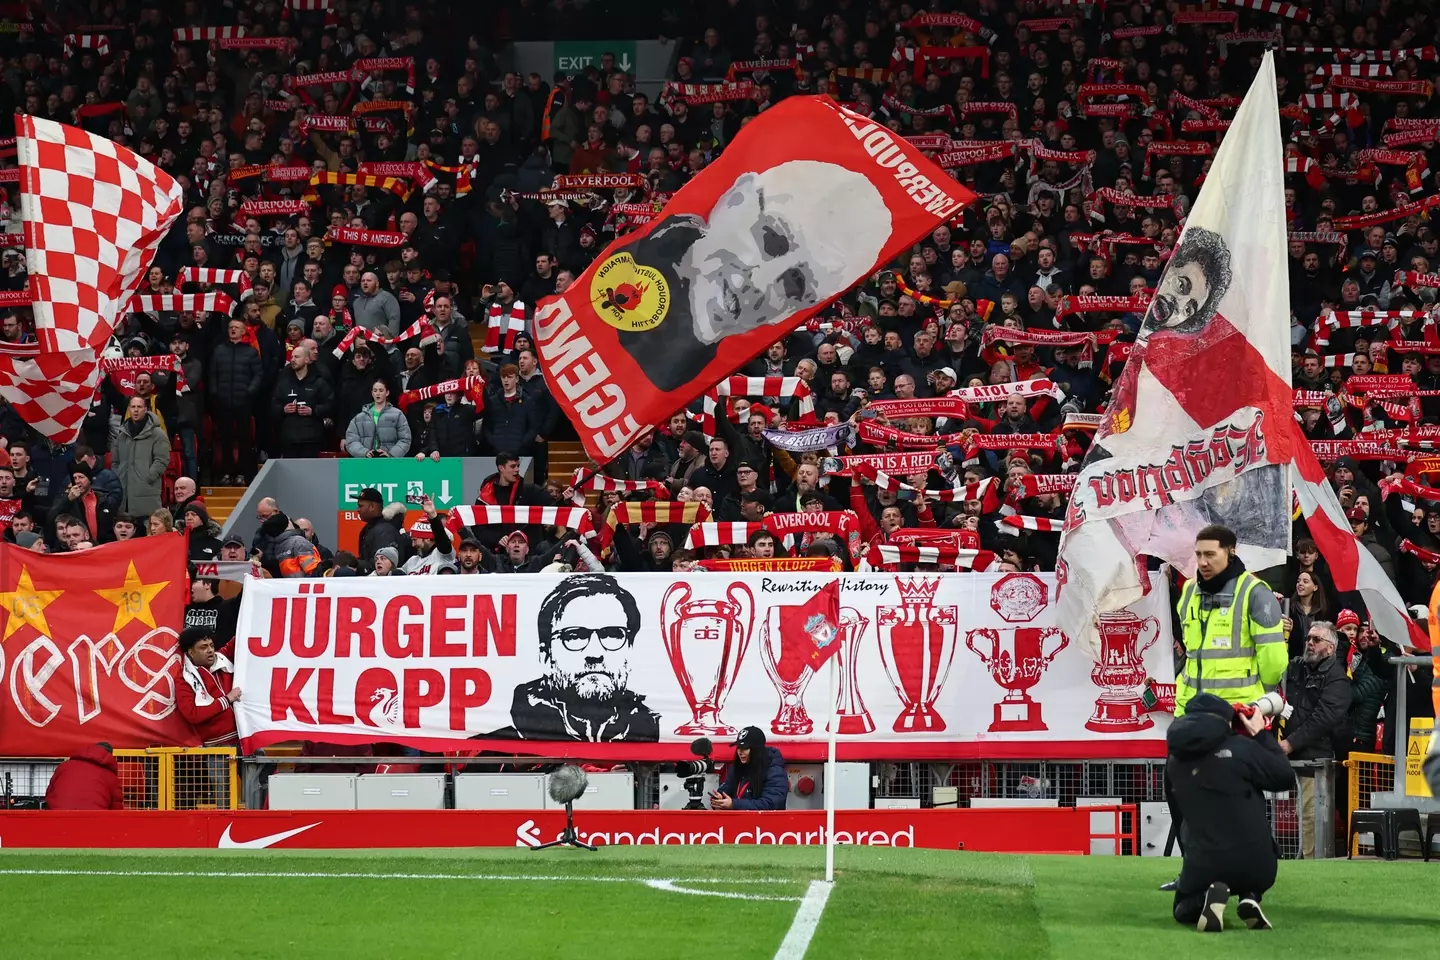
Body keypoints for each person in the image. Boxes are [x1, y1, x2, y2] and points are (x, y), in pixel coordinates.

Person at [1165, 693, 1294, 933]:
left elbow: (1179, 816)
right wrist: (1261, 735)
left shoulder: (1173, 761)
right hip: (1259, 864)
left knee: (1182, 907)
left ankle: (1208, 897)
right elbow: (1285, 777)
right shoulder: (1242, 748)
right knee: (1248, 851)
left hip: (1205, 862)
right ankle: (1250, 896)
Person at [500, 573, 659, 741]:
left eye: (612, 635)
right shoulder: (497, 747)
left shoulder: (662, 734)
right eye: (575, 636)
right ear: (546, 656)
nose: (595, 653)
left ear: (630, 651)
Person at [1175, 525, 1288, 715]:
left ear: (1231, 552)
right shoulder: (1189, 589)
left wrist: (1262, 696)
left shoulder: (1255, 592)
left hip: (1238, 714)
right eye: (1199, 554)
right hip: (1189, 711)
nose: (1202, 562)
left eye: (1210, 554)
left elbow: (1274, 660)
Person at [1279, 621, 1350, 859]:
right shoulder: (1296, 667)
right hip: (1291, 757)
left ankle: (1312, 869)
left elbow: (1321, 720)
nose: (1309, 643)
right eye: (1308, 638)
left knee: (1311, 819)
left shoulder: (1338, 680)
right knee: (1299, 819)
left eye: (1316, 640)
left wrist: (1289, 743)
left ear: (1330, 648)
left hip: (1315, 761)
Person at [711, 726, 788, 810]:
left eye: (745, 748)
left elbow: (770, 804)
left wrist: (734, 804)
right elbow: (726, 789)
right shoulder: (736, 768)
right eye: (738, 748)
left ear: (756, 750)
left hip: (766, 822)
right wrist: (719, 798)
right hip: (736, 821)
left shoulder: (775, 771)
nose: (740, 752)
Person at [44, 742, 125, 810]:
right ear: (110, 756)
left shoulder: (64, 766)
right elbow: (116, 809)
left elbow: (49, 793)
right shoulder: (111, 777)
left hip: (57, 818)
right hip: (93, 822)